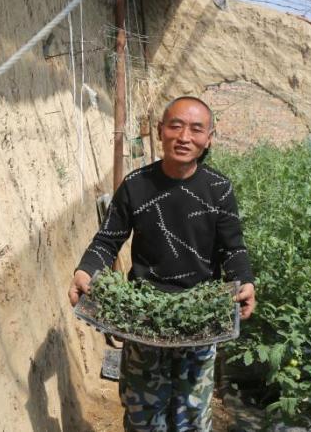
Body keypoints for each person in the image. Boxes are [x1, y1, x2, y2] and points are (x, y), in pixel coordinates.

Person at [68, 96, 257, 431]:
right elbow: (107, 240)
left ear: (208, 138)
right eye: (175, 126)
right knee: (143, 415)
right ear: (160, 131)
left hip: (200, 321)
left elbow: (234, 249)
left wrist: (245, 281)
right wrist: (85, 270)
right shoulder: (136, 185)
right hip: (142, 320)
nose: (184, 137)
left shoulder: (218, 189)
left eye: (196, 129)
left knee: (191, 416)